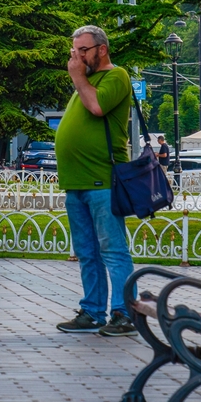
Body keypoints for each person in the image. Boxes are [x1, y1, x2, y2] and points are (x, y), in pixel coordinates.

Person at [53, 25, 137, 338]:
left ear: (101, 49)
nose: (76, 57)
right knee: (87, 251)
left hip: (102, 179)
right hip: (76, 183)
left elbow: (98, 107)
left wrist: (78, 76)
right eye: (74, 50)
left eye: (83, 50)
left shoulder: (116, 76)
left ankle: (124, 313)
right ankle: (92, 310)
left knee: (112, 250)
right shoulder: (86, 81)